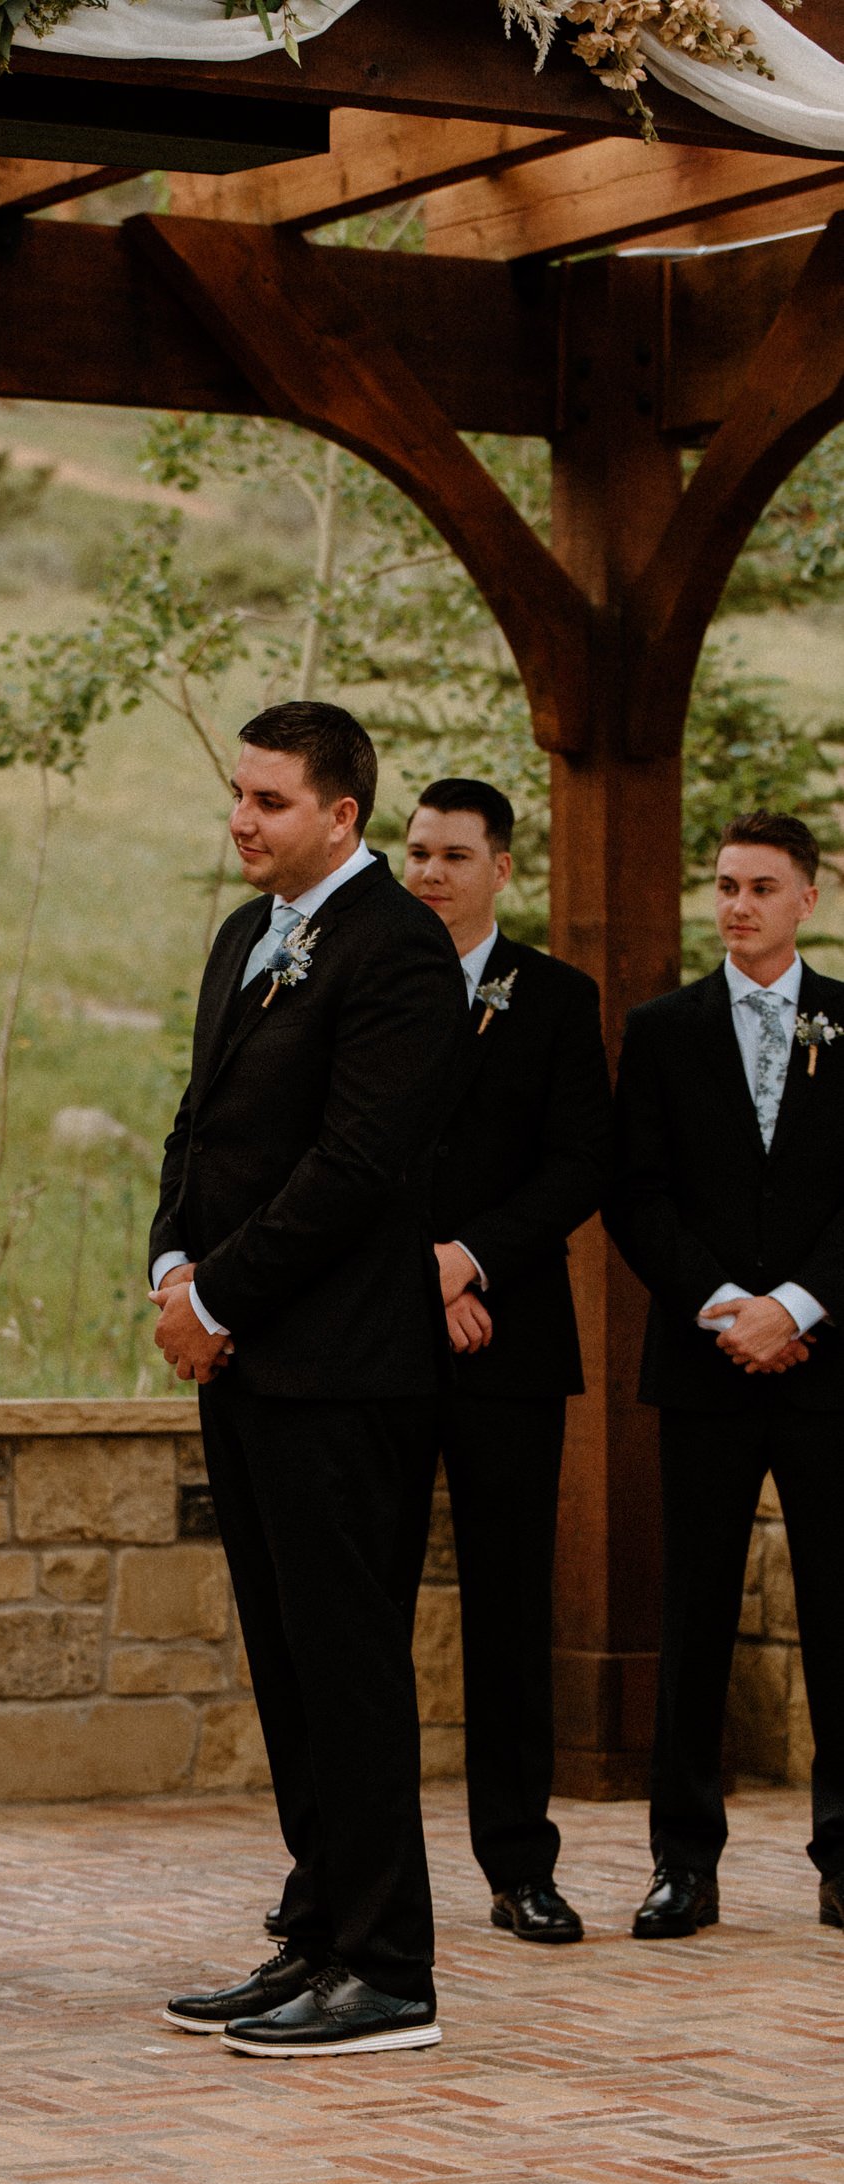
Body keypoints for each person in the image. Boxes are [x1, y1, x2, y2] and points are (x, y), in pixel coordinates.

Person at [151, 702, 466, 2059]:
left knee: (345, 1664)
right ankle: (320, 1931)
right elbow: (200, 1123)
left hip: (345, 1373)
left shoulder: (398, 953)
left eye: (271, 801)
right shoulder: (243, 938)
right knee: (286, 1665)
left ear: (341, 816)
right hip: (245, 1362)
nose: (243, 819)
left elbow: (357, 1170)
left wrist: (221, 1294)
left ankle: (389, 1967)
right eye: (239, 792)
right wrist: (174, 1263)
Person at [608, 809, 844, 1942]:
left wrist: (795, 1307)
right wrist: (724, 1310)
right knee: (691, 1615)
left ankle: (843, 1856)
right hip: (704, 1366)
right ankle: (681, 1864)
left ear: (807, 897)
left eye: (760, 886)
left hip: (827, 1364)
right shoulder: (663, 1031)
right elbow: (635, 1193)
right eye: (724, 885)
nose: (737, 904)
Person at [397, 780, 612, 1944]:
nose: (428, 873)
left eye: (451, 855)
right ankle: (345, 1870)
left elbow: (580, 1162)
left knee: (509, 1609)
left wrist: (468, 1263)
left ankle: (519, 1863)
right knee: (364, 1610)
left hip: (507, 1341)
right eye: (416, 851)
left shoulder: (556, 997)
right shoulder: (367, 979)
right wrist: (414, 1279)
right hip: (377, 1337)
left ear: (500, 869)